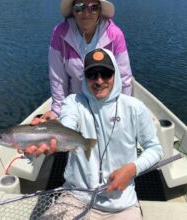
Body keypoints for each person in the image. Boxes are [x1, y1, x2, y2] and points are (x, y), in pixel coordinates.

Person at [25, 48, 163, 219]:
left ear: (115, 74)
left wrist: (131, 169)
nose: (99, 81)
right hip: (76, 197)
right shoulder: (73, 103)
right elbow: (67, 125)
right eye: (92, 74)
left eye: (105, 73)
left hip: (121, 204)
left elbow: (155, 149)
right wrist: (48, 131)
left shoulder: (135, 108)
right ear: (85, 77)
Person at [37, 0, 132, 122]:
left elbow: (124, 78)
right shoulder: (60, 33)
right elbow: (57, 77)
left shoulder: (115, 35)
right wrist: (57, 111)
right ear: (73, 10)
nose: (86, 13)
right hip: (75, 105)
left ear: (100, 11)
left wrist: (123, 112)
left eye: (93, 7)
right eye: (80, 7)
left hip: (108, 105)